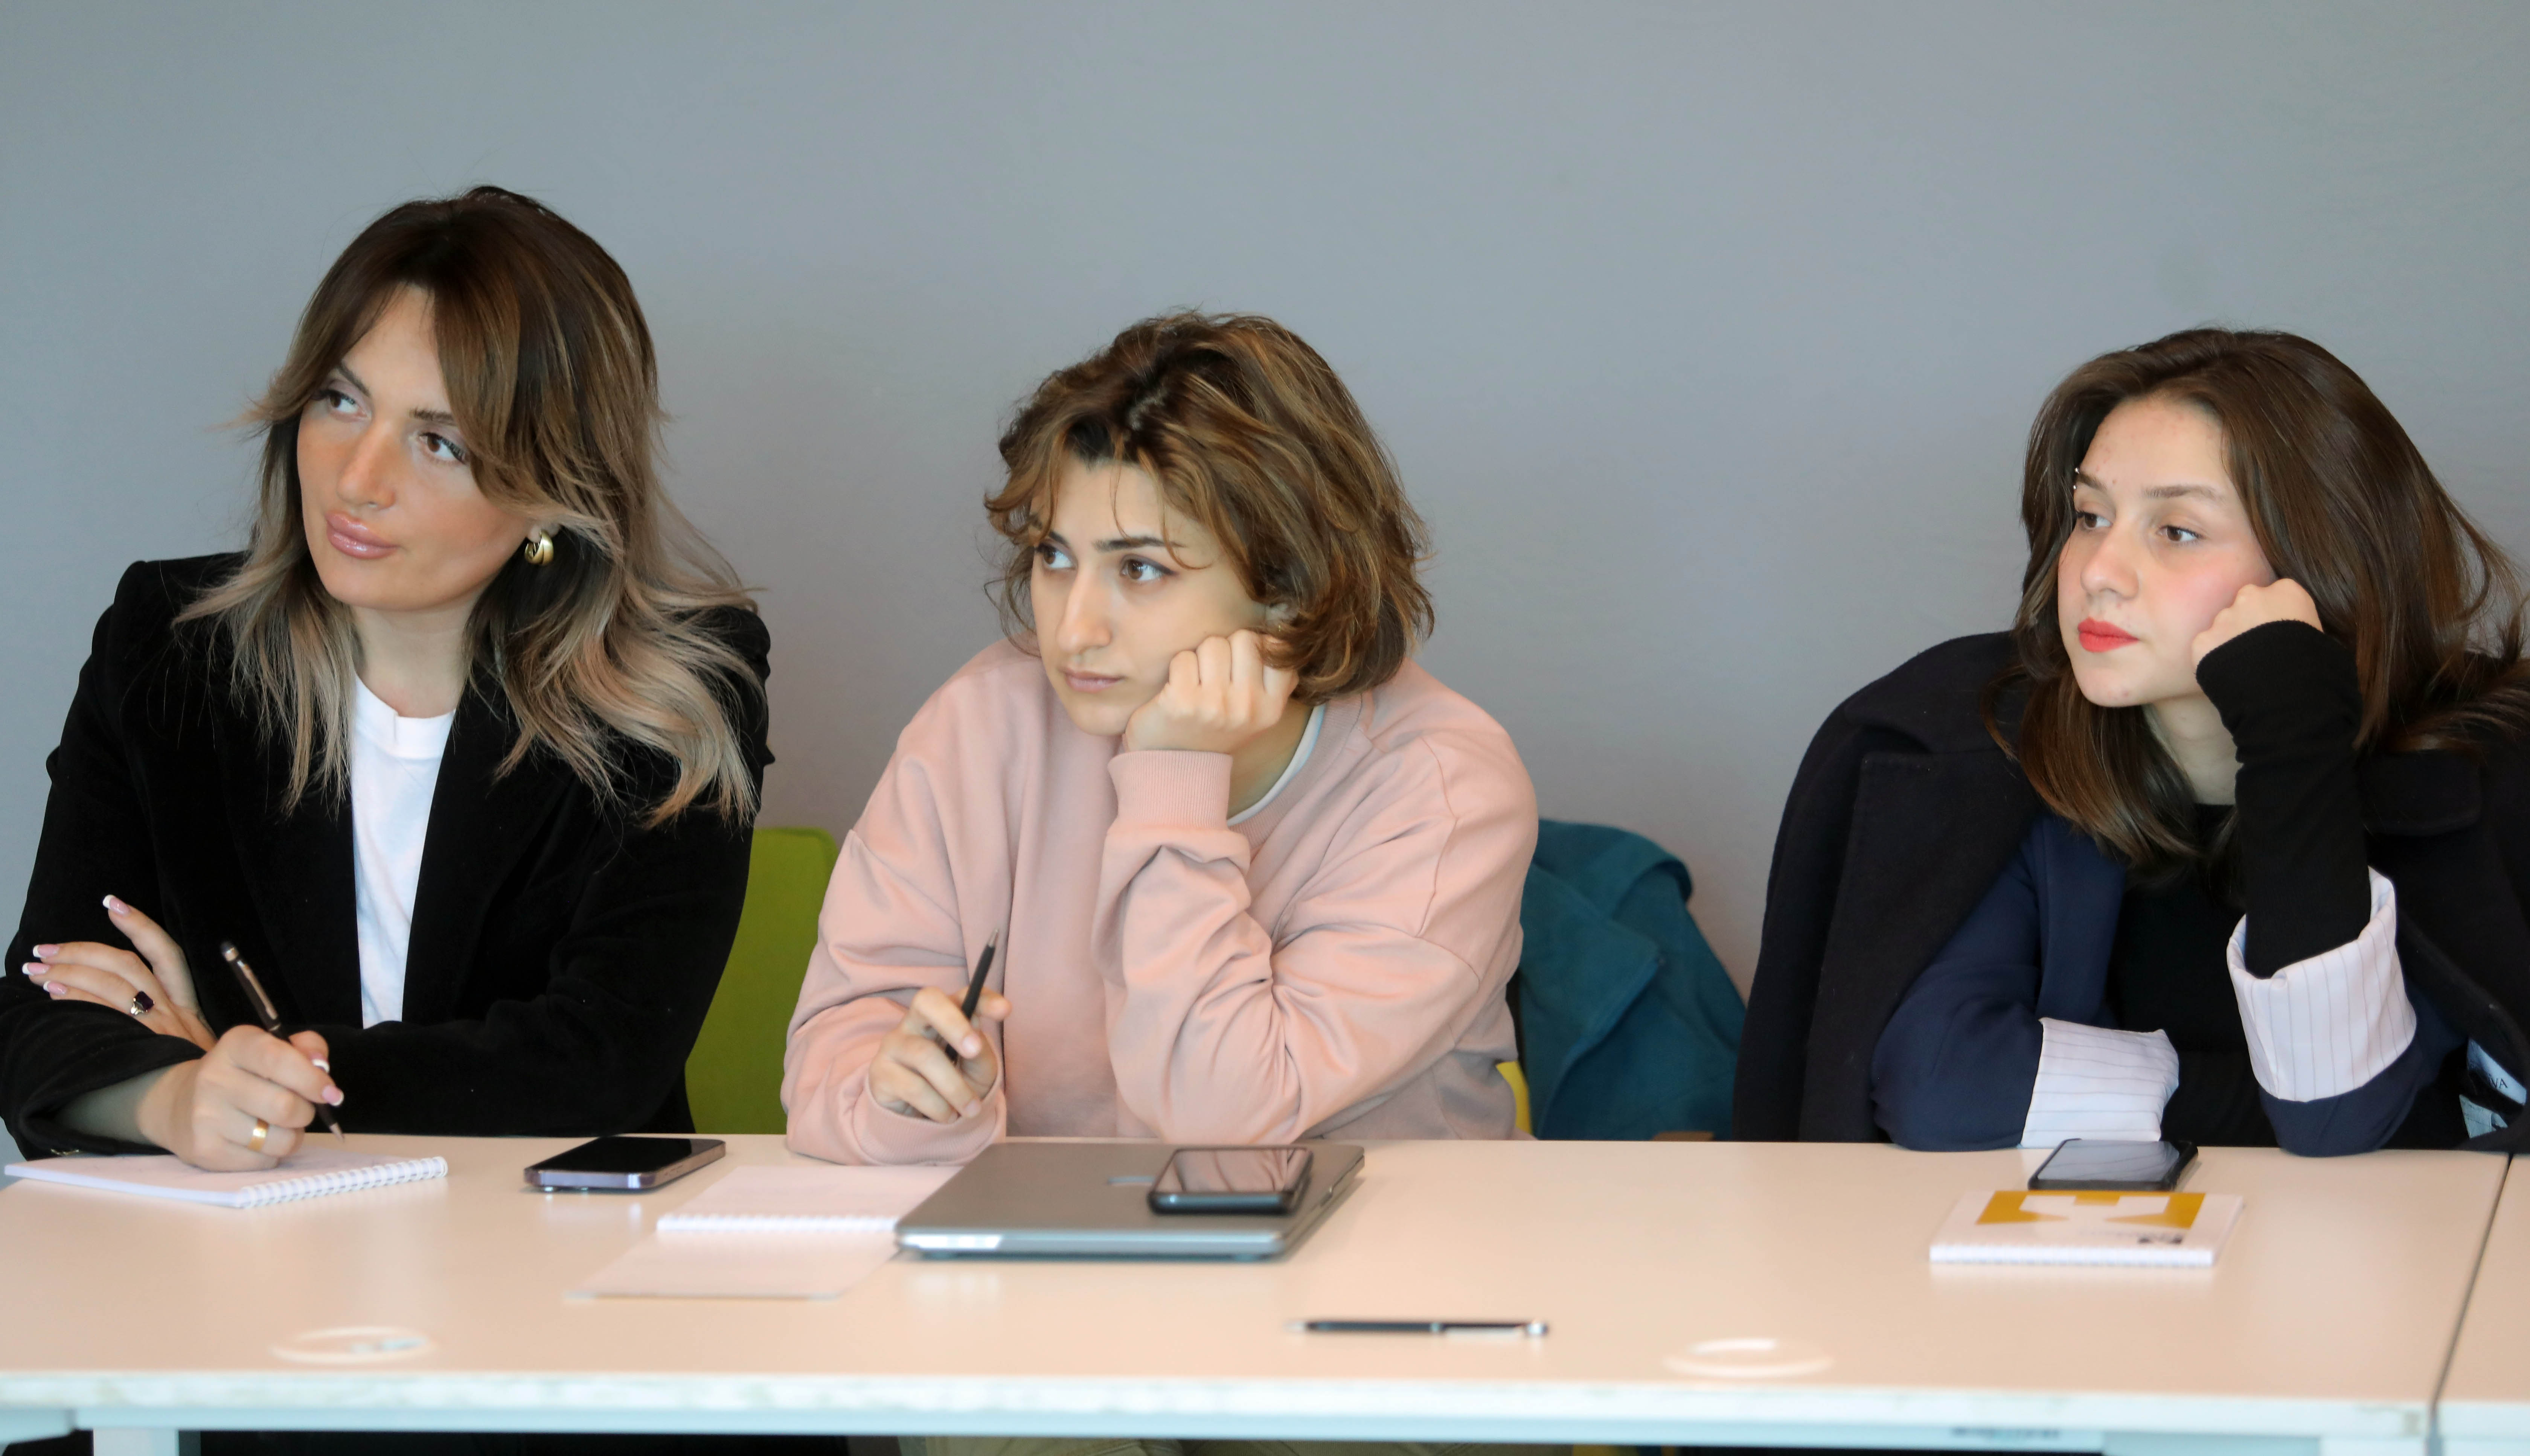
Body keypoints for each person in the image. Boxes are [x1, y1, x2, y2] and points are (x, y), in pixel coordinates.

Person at [0, 186, 771, 1171]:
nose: (358, 479)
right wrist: (181, 1096)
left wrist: (262, 1069)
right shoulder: (170, 650)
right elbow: (40, 1013)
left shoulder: (678, 689)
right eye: (342, 399)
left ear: (553, 488)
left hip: (549, 1235)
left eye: (439, 440)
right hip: (236, 1238)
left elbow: (599, 1062)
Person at [1735, 327, 2530, 1155]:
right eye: (2091, 516)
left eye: (2176, 530)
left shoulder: (2492, 772)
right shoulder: (1976, 743)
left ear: (2325, 561)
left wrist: (2292, 729)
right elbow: (1942, 1084)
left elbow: (2335, 1110)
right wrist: (2309, 1110)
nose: (2098, 571)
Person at [783, 311, 1536, 1167]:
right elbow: (834, 1055)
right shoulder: (982, 723)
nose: (1074, 630)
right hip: (1055, 1240)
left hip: (1388, 1237)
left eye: (1141, 568)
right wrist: (913, 1103)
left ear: (1291, 587)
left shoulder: (1444, 787)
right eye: (1055, 557)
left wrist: (1175, 782)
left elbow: (1223, 1116)